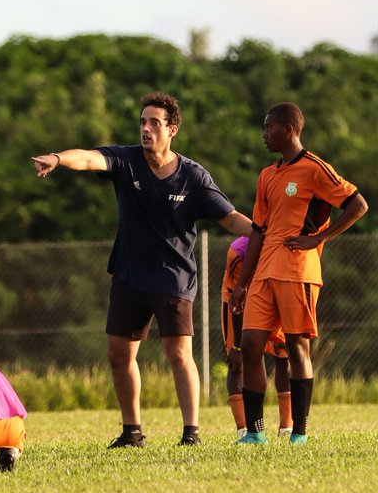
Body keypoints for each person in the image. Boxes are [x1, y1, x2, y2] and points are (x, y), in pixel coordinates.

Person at [32, 92, 253, 448]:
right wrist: (58, 158)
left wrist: (263, 233)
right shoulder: (127, 160)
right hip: (129, 275)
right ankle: (132, 432)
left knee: (178, 354)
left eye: (154, 123)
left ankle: (191, 433)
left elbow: (230, 218)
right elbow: (88, 158)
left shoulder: (193, 176)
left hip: (173, 277)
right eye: (142, 122)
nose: (146, 129)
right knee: (118, 354)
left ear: (172, 129)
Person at [231, 102, 368, 445]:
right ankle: (255, 433)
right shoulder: (267, 175)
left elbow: (358, 204)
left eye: (269, 128)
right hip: (264, 272)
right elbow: (258, 231)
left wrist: (319, 238)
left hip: (297, 272)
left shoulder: (315, 168)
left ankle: (300, 433)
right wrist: (242, 284)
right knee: (250, 345)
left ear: (289, 130)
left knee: (296, 347)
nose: (264, 134)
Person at [222, 235, 292, 438]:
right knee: (239, 358)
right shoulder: (239, 252)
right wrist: (237, 346)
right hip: (238, 295)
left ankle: (287, 426)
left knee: (283, 352)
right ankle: (244, 428)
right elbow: (236, 300)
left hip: (277, 289)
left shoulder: (287, 248)